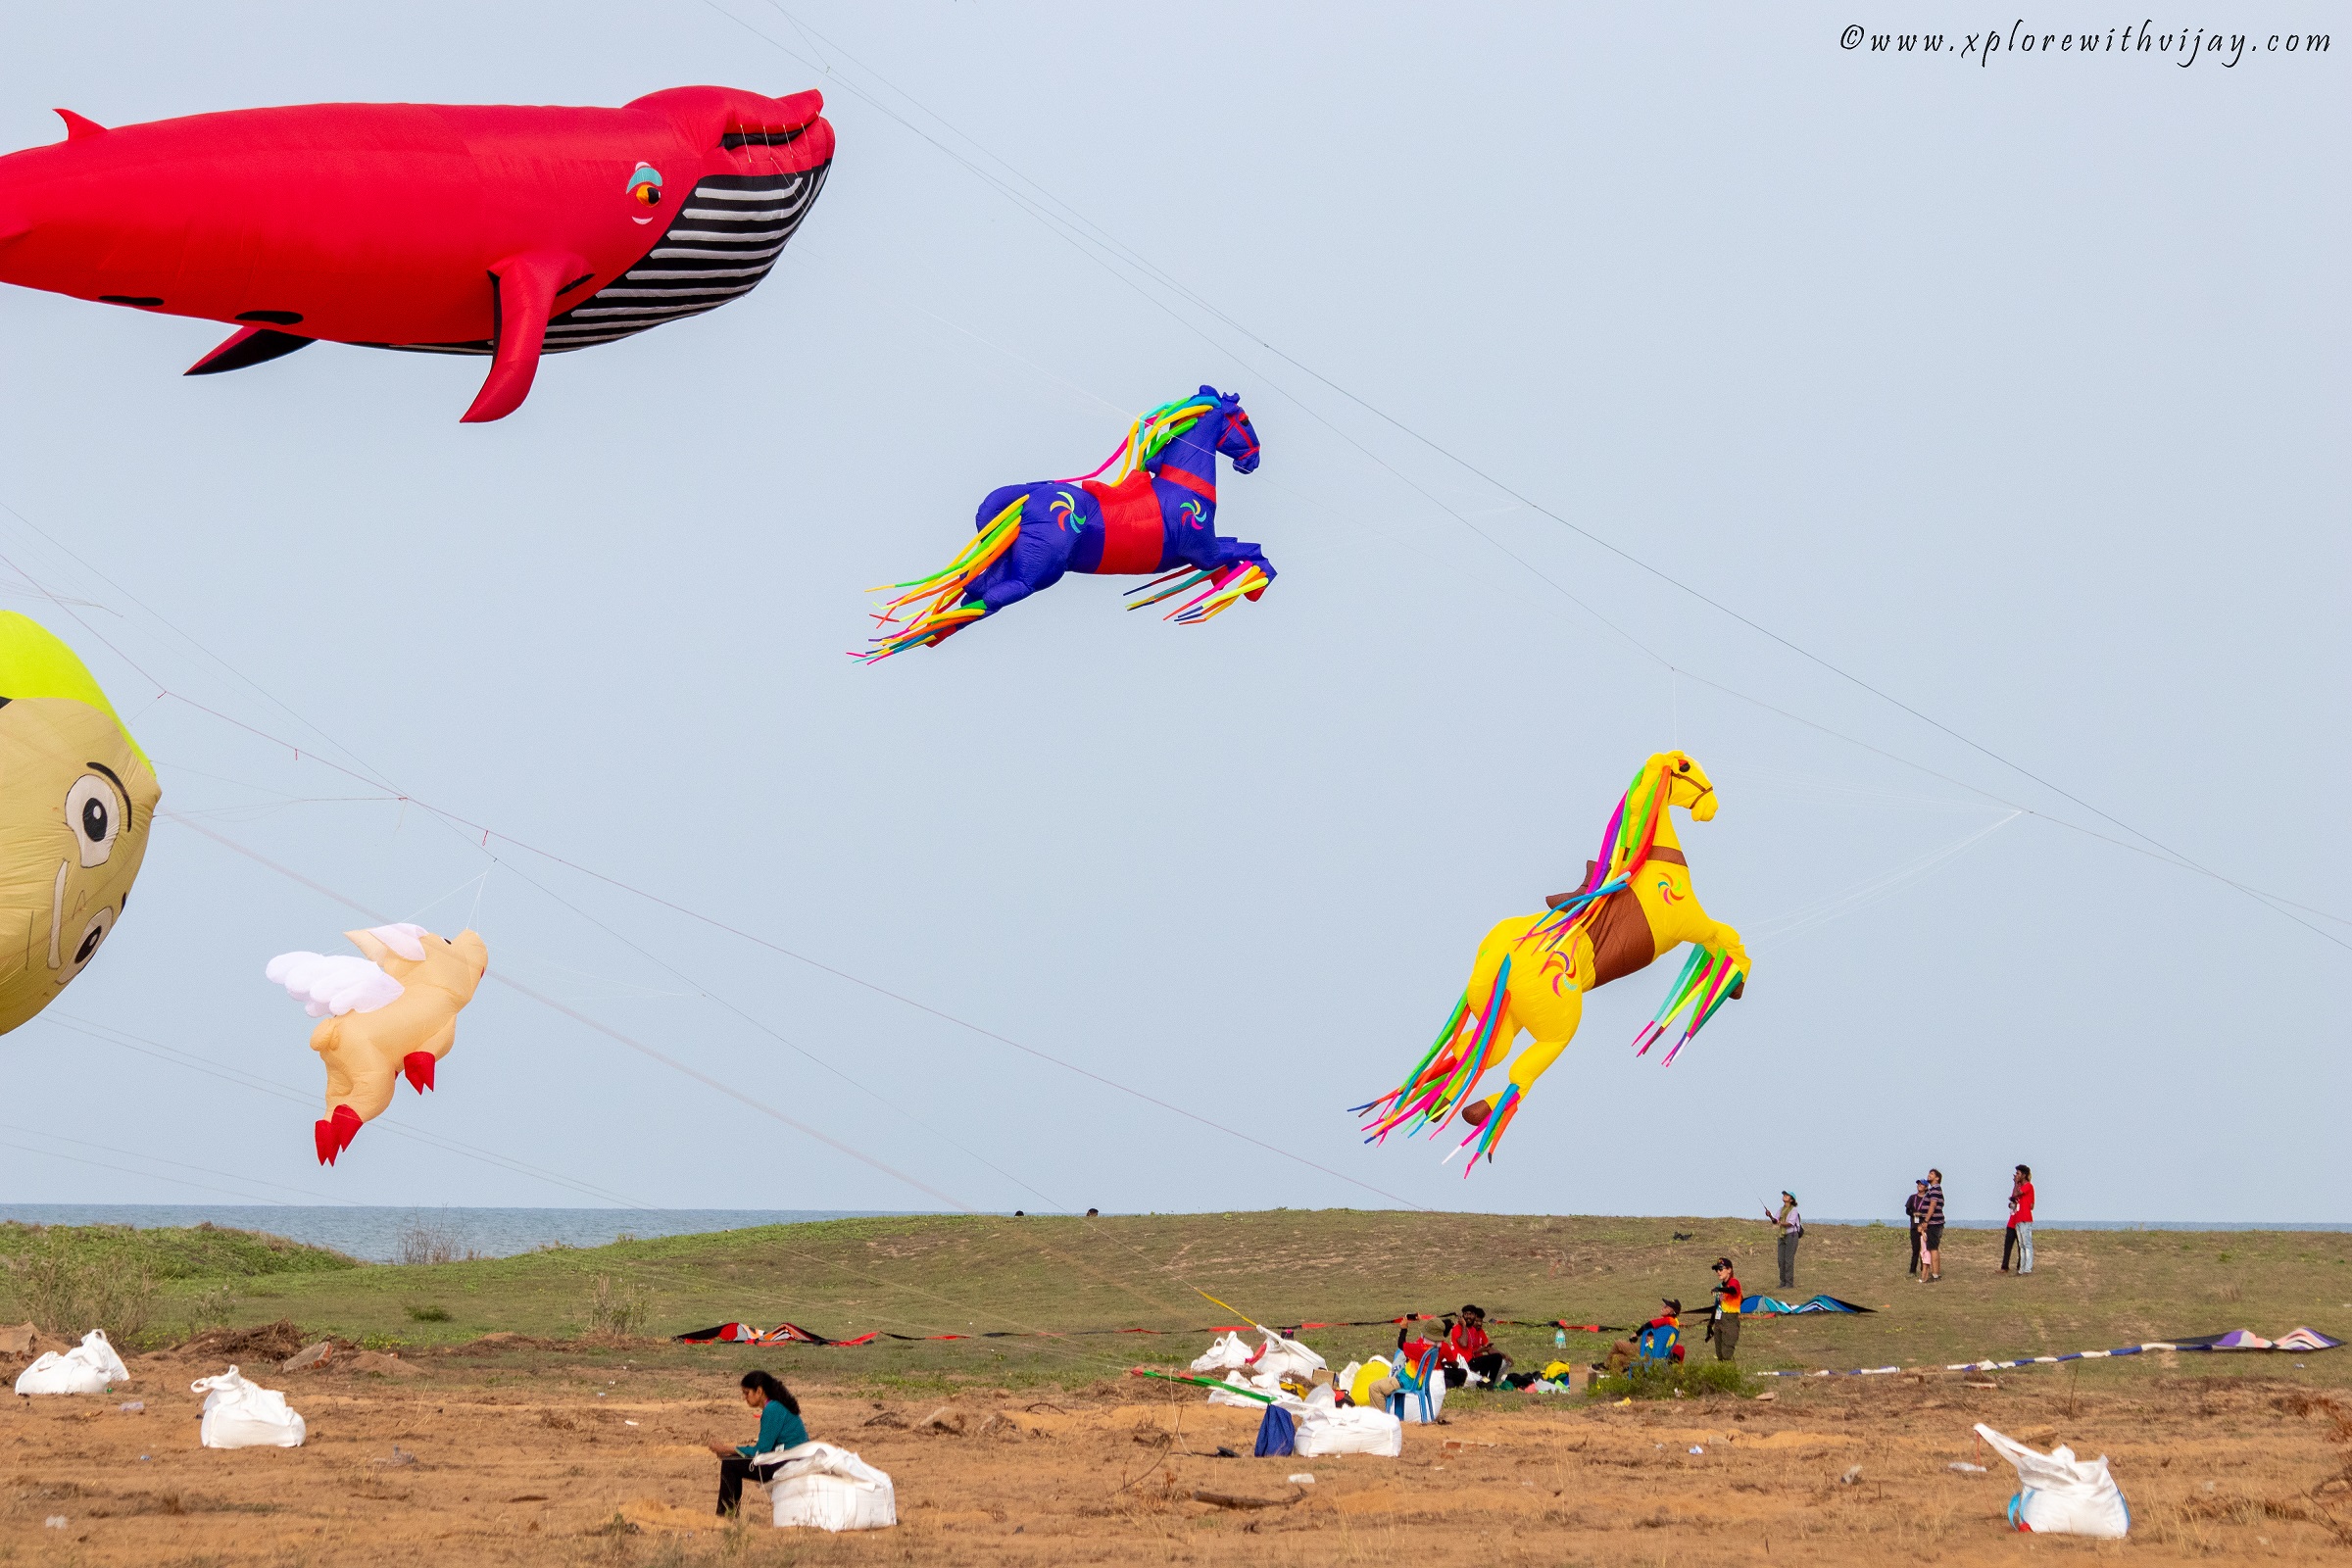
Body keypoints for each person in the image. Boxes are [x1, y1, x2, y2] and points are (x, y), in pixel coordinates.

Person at [708, 1369, 809, 1517]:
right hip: (790, 1458)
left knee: (730, 1464)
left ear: (759, 1391)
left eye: (746, 1393)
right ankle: (729, 1513)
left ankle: (726, 1515)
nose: (744, 1398)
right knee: (732, 1461)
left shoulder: (773, 1409)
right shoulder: (777, 1406)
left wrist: (728, 1449)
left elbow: (761, 1450)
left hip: (788, 1462)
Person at [1441, 1303, 1512, 1388]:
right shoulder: (1457, 1328)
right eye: (1466, 1314)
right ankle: (1489, 1383)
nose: (1468, 1317)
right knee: (1496, 1357)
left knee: (1494, 1359)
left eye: (1470, 1314)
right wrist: (1463, 1325)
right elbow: (1463, 1343)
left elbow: (1473, 1350)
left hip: (1472, 1360)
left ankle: (1487, 1382)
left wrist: (1485, 1350)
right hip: (1463, 1363)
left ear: (1474, 1315)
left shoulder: (1473, 1330)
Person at [1604, 1298, 1685, 1371]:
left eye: (1666, 1306)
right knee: (1617, 1358)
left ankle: (1605, 1366)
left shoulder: (1669, 1320)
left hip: (1648, 1354)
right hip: (1652, 1358)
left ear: (1671, 1311)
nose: (1662, 1308)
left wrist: (1636, 1334)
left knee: (1618, 1344)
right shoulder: (1675, 1323)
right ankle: (1620, 1376)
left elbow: (1649, 1324)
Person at [1706, 1257, 1742, 1360]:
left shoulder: (1734, 1282)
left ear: (1729, 1270)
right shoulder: (1719, 1286)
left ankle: (1732, 1375)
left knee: (1727, 1354)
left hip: (1730, 1321)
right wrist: (1710, 1325)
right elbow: (1716, 1306)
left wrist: (1720, 1289)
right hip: (1719, 1321)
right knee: (1719, 1355)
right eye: (1717, 1269)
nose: (1718, 1272)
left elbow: (1733, 1290)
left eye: (1721, 1269)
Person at [1767, 1192, 1803, 1289]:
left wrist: (1778, 1222)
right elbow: (1775, 1221)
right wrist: (1770, 1216)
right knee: (1780, 1260)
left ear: (1791, 1200)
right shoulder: (1781, 1209)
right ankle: (1782, 1282)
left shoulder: (1794, 1210)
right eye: (1784, 1195)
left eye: (1787, 1195)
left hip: (1792, 1235)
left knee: (1788, 1260)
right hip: (1782, 1235)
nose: (1784, 1196)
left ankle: (1789, 1283)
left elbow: (1790, 1223)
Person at [2003, 1164, 2035, 1274]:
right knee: (2021, 1245)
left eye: (2018, 1173)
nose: (2016, 1175)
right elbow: (2014, 1196)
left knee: (2027, 1244)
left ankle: (2028, 1268)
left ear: (2024, 1175)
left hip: (2025, 1218)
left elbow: (2017, 1194)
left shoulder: (2028, 1186)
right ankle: (2021, 1268)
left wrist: (2016, 1183)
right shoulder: (2021, 1187)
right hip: (2018, 1218)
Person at [1918, 1169, 1946, 1283]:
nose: (1929, 1175)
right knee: (1930, 1248)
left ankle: (1935, 1275)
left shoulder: (1935, 1189)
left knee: (1933, 1248)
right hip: (1932, 1223)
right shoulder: (1931, 1190)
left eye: (1932, 1174)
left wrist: (1926, 1220)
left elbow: (1933, 1205)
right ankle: (1932, 1274)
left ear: (1937, 1178)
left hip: (1934, 1224)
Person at [1905, 1178, 1929, 1274]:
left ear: (1926, 1187)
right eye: (1918, 1184)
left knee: (1924, 1250)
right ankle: (1912, 1271)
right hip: (1914, 1226)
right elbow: (1907, 1210)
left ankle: (1924, 1270)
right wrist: (1913, 1213)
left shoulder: (1927, 1199)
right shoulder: (1912, 1198)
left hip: (1924, 1227)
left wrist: (1921, 1215)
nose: (1919, 1185)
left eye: (1922, 1184)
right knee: (1915, 1249)